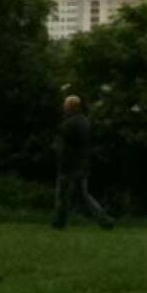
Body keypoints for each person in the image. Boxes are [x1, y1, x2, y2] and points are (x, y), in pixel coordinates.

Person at [52, 95, 115, 230]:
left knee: (63, 195)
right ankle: (104, 220)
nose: (63, 107)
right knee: (83, 196)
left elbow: (65, 148)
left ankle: (59, 222)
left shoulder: (69, 124)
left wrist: (62, 163)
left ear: (70, 106)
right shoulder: (85, 122)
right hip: (82, 165)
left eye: (65, 104)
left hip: (69, 167)